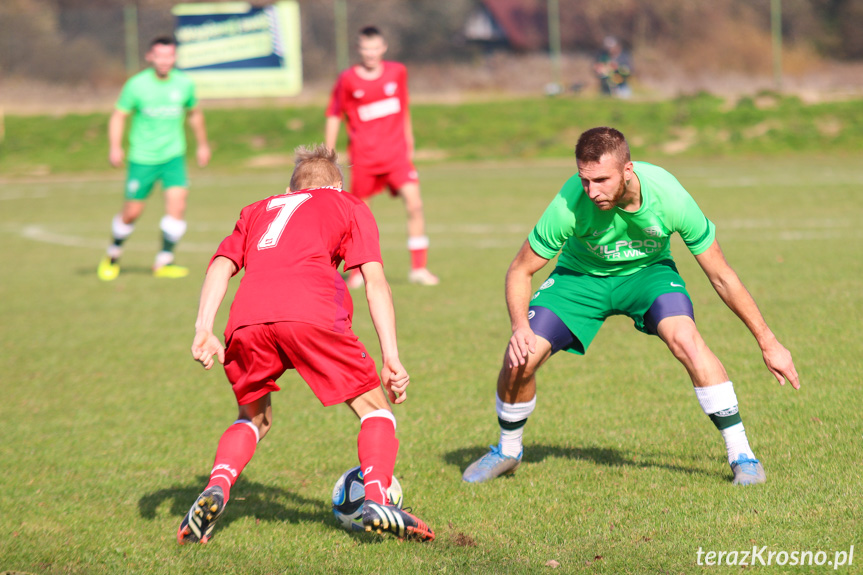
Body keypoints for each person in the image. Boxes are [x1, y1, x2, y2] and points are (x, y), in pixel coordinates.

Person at [462, 127, 799, 486]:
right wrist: (519, 327)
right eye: (584, 180)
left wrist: (768, 341)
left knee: (685, 338)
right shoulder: (569, 202)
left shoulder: (669, 196)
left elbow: (722, 277)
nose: (592, 192)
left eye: (601, 180)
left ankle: (743, 456)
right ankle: (508, 450)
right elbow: (520, 269)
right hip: (580, 279)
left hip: (647, 275)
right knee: (520, 359)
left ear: (628, 169)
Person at [177, 144, 434, 545]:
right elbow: (375, 281)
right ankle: (378, 499)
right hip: (311, 313)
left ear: (288, 189)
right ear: (336, 187)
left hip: (246, 321)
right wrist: (391, 357)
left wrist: (203, 328)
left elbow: (222, 265)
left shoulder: (257, 209)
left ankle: (218, 485)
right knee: (376, 412)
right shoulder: (348, 204)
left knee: (254, 418)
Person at [325, 25, 438, 289]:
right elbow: (334, 114)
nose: (371, 53)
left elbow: (404, 107)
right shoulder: (348, 79)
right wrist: (329, 153)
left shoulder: (397, 72)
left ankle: (419, 268)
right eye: (366, 48)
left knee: (415, 204)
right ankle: (356, 272)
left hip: (397, 155)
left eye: (375, 48)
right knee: (361, 216)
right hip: (365, 157)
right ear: (359, 49)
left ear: (383, 48)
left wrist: (410, 143)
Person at [97, 35, 210, 281]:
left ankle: (164, 261)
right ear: (150, 57)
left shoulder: (184, 84)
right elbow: (119, 116)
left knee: (178, 205)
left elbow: (194, 114)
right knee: (132, 212)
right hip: (142, 159)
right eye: (159, 55)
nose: (164, 61)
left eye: (169, 55)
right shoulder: (136, 85)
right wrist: (115, 146)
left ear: (175, 57)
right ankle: (113, 255)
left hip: (173, 157)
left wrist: (202, 145)